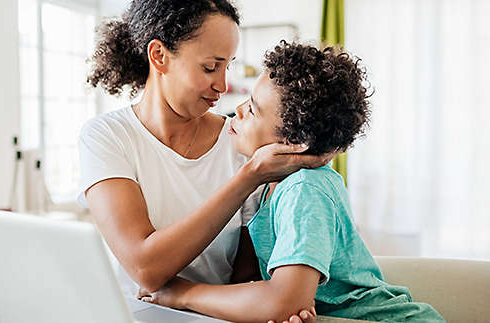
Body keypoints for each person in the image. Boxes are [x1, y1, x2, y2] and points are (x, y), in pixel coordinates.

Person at [138, 42, 446, 323]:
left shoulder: (305, 189)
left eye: (254, 109)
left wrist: (184, 294)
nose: (239, 110)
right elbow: (259, 287)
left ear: (295, 141)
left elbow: (283, 302)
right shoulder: (271, 185)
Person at [79, 1, 332, 322]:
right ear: (159, 56)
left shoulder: (243, 139)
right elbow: (145, 268)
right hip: (133, 314)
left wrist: (275, 308)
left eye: (228, 66)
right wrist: (248, 177)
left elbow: (247, 274)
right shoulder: (107, 136)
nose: (223, 85)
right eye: (211, 67)